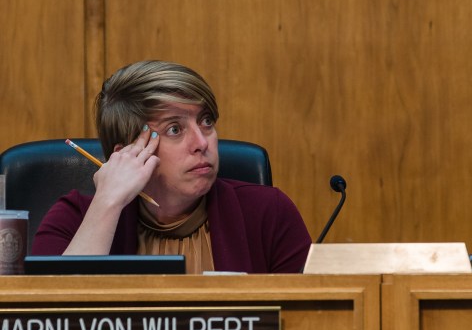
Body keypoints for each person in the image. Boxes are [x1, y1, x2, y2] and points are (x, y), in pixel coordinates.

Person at [32, 60, 311, 274]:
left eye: (206, 122)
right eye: (175, 129)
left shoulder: (268, 212)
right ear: (128, 154)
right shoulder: (75, 218)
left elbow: (307, 329)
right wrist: (107, 203)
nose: (202, 142)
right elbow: (53, 328)